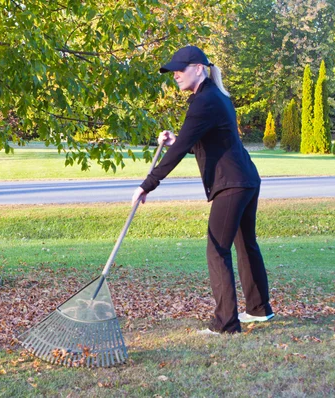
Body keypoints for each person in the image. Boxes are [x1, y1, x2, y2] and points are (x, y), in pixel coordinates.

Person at [132, 46, 274, 334]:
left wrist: (147, 185)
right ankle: (258, 310)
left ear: (198, 67)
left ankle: (225, 323)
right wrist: (177, 140)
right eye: (173, 71)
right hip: (246, 179)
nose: (175, 75)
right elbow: (201, 140)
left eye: (180, 69)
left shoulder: (204, 100)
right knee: (246, 245)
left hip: (232, 184)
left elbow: (182, 149)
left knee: (216, 248)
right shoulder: (214, 96)